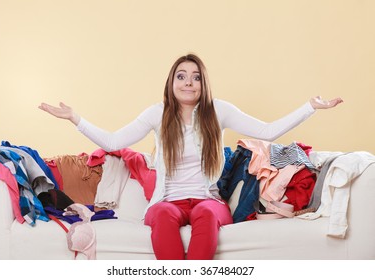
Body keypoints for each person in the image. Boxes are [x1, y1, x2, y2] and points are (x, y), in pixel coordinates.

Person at [39, 53, 343, 260]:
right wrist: (74, 118)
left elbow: (268, 131)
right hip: (167, 202)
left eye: (195, 77)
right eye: (181, 76)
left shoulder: (218, 111)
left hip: (208, 201)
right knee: (162, 215)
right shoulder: (157, 114)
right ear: (172, 83)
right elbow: (113, 140)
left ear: (203, 83)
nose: (188, 82)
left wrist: (310, 107)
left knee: (207, 214)